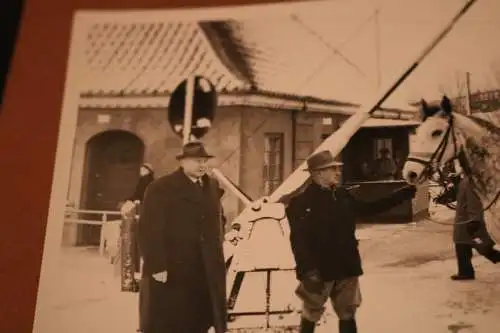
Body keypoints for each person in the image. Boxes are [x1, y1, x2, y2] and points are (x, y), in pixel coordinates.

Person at [285, 150, 416, 333]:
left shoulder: (343, 195)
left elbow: (370, 209)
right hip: (318, 271)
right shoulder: (300, 203)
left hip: (347, 267)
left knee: (348, 313)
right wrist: (306, 270)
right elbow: (298, 240)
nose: (337, 172)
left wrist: (402, 194)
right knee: (311, 312)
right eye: (332, 169)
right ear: (317, 173)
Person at [136, 141, 227, 333]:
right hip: (173, 267)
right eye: (196, 161)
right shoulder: (161, 188)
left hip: (204, 267)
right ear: (183, 162)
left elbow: (218, 219)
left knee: (200, 319)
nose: (202, 165)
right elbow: (149, 230)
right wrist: (157, 266)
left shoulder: (211, 186)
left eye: (204, 161)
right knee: (171, 320)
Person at [121, 163, 155, 332]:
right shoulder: (145, 183)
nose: (141, 172)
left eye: (143, 170)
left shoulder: (148, 184)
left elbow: (140, 197)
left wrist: (135, 202)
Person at [451, 174, 500, 281]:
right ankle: (465, 272)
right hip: (463, 219)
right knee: (462, 245)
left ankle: (466, 271)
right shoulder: (465, 180)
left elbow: (474, 202)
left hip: (469, 220)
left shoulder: (471, 182)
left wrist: (474, 220)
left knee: (482, 246)